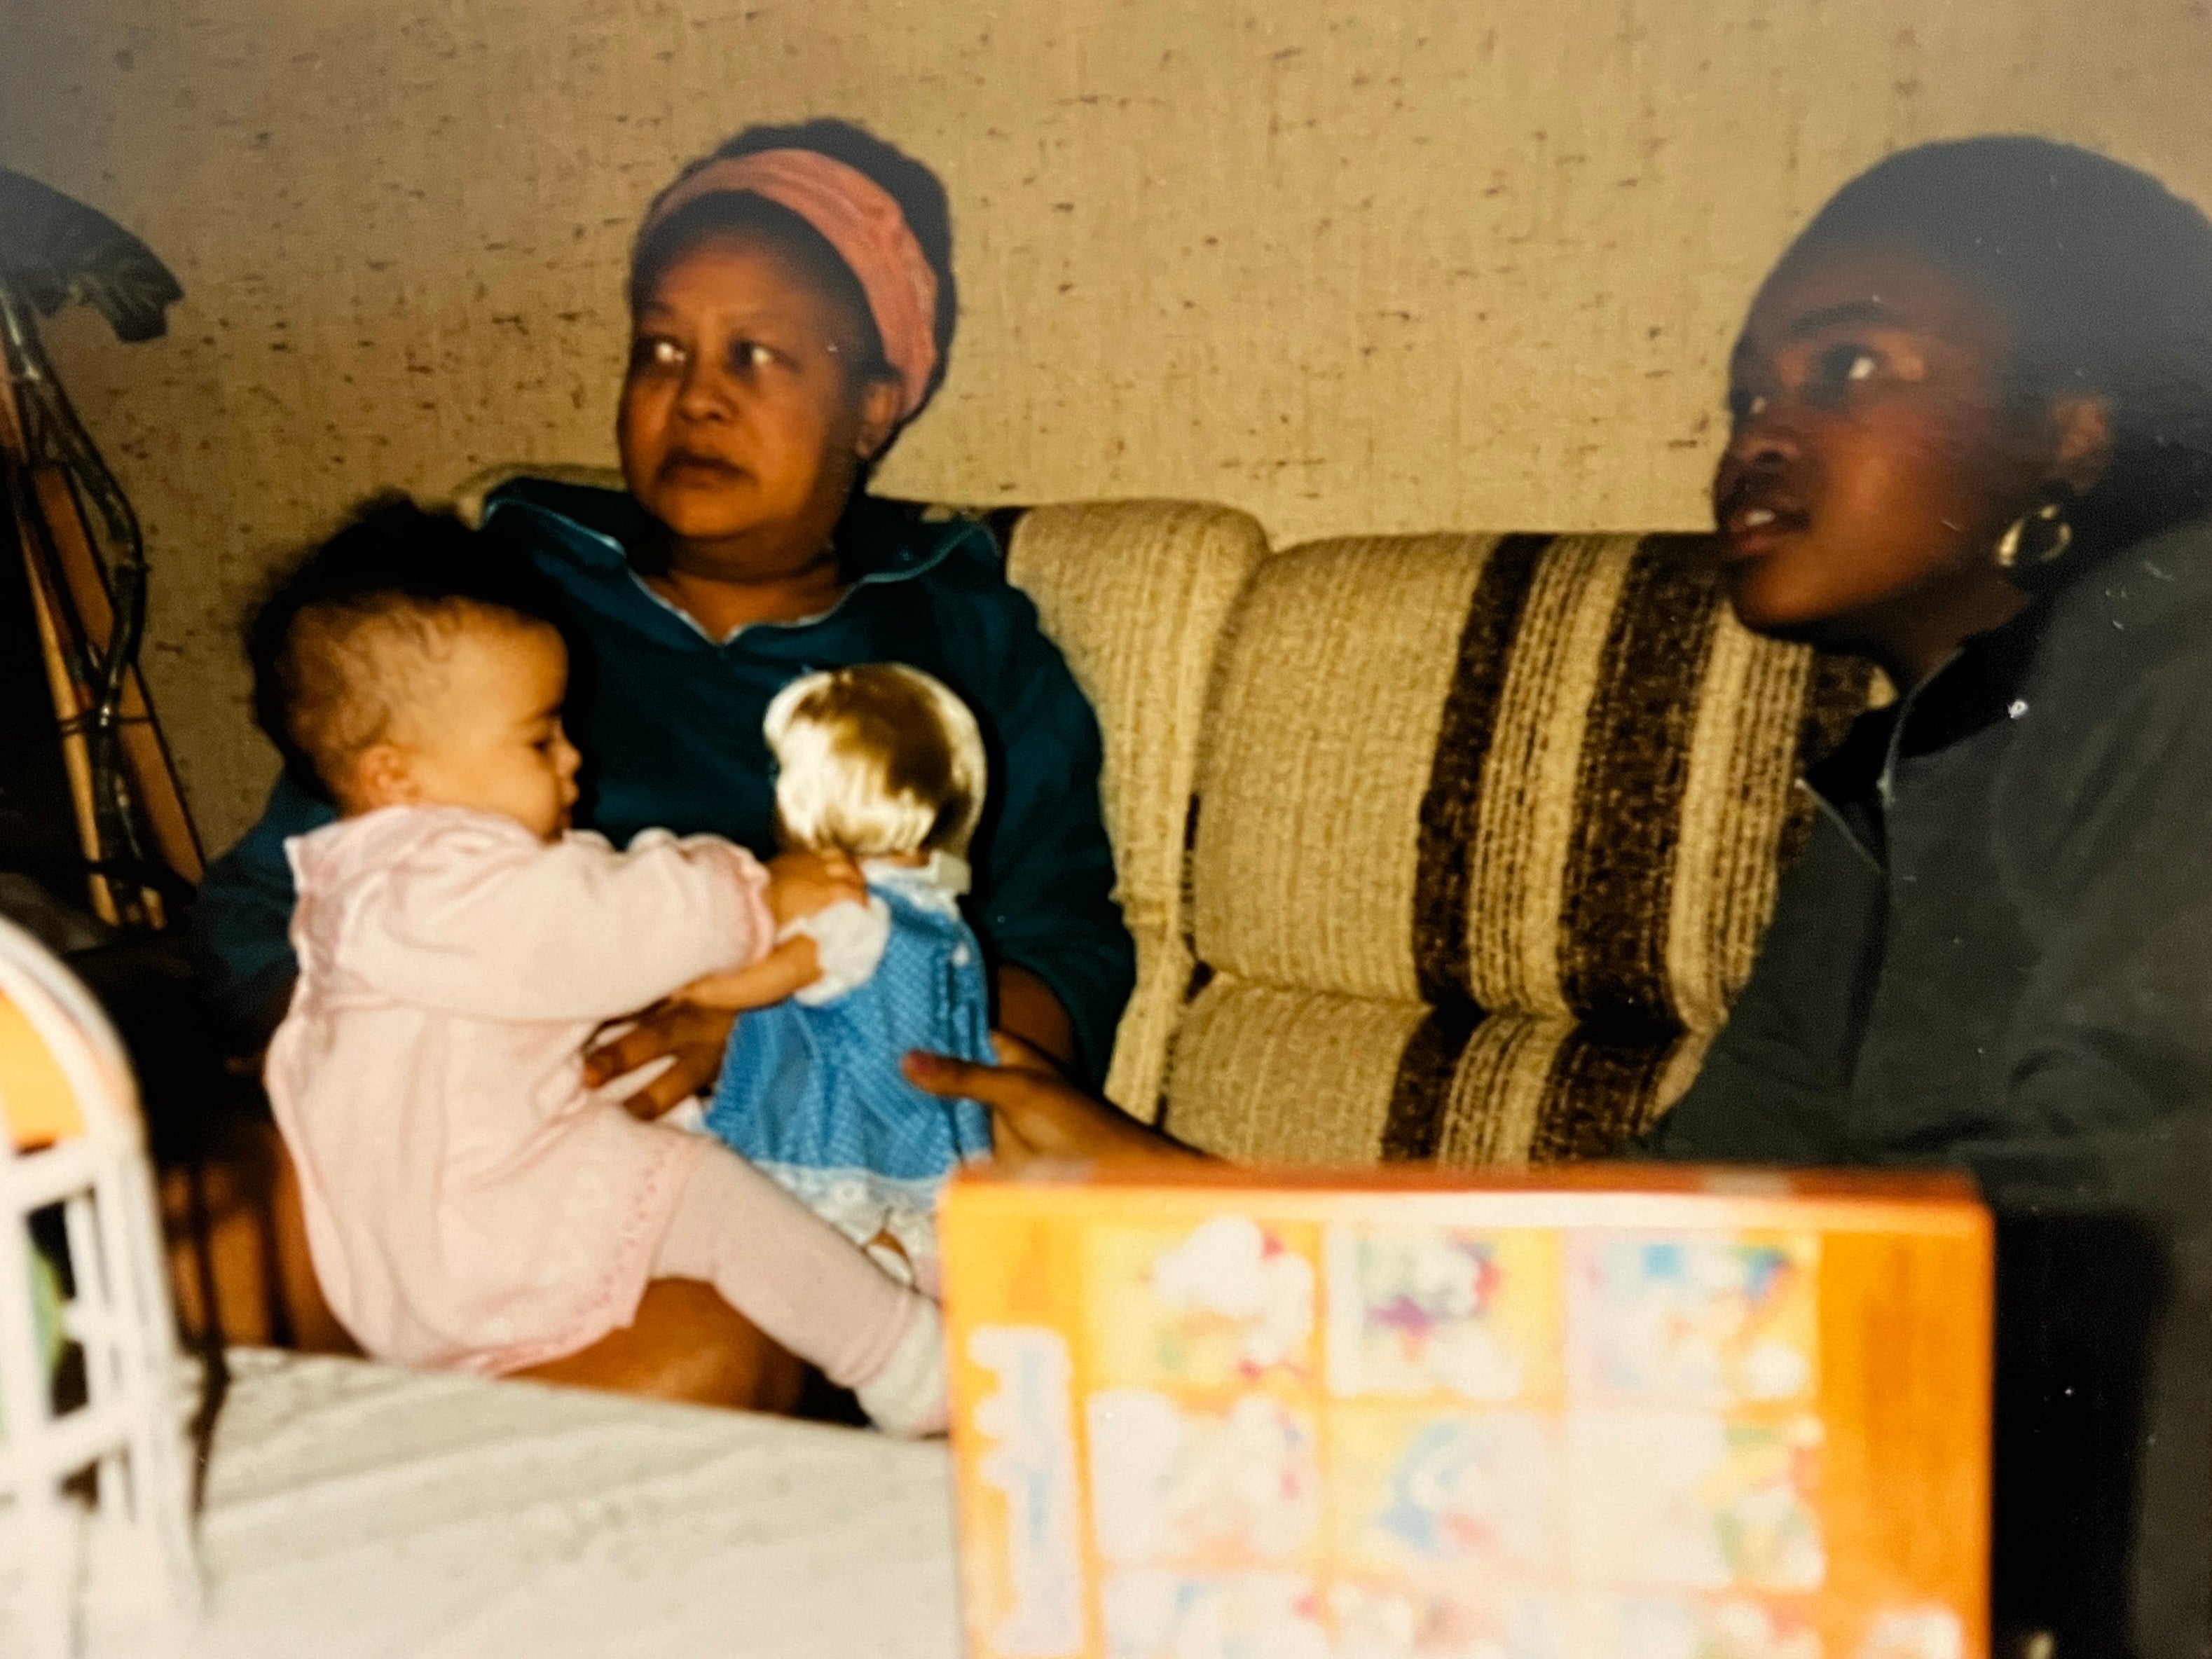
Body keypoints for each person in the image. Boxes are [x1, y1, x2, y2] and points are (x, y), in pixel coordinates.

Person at [911, 137, 2212, 1652]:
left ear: (2074, 426)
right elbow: (1695, 1202)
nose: (1757, 438)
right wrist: (1187, 1198)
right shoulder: (1899, 773)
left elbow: (2089, 1240)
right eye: (1744, 399)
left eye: (1848, 364)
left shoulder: (2173, 669)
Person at [193, 118, 1132, 1398]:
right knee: (160, 1229)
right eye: (661, 347)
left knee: (710, 1347)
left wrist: (803, 1054)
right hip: (417, 1170)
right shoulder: (497, 608)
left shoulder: (966, 637)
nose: (696, 392)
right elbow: (275, 905)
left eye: (757, 353)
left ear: (874, 403)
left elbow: (1060, 949)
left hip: (755, 1184)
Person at [253, 500, 947, 1431]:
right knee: (710, 1198)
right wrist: (750, 892)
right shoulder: (432, 884)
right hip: (481, 1222)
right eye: (540, 739)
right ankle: (904, 1358)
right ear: (395, 778)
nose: (573, 760)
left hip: (451, 1218)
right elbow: (598, 923)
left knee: (686, 1122)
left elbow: (561, 960)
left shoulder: (389, 890)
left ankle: (867, 1258)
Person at [682, 663, 996, 1290]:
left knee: (823, 1232)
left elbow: (756, 985)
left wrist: (684, 981)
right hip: (920, 1128)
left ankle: (871, 1277)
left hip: (832, 1128)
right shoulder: (936, 914)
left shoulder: (844, 915)